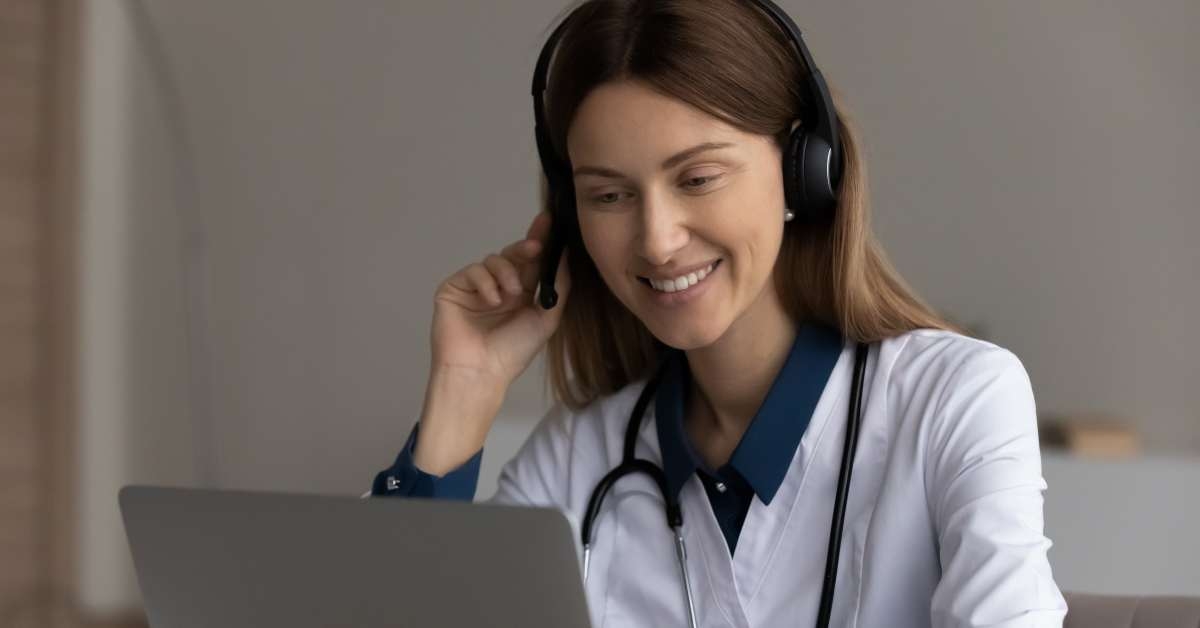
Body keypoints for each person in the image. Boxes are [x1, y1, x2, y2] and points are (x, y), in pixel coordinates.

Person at [369, 1, 1068, 626]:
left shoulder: (953, 399)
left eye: (698, 179)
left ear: (805, 171)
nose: (657, 240)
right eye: (609, 196)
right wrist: (464, 390)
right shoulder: (581, 457)